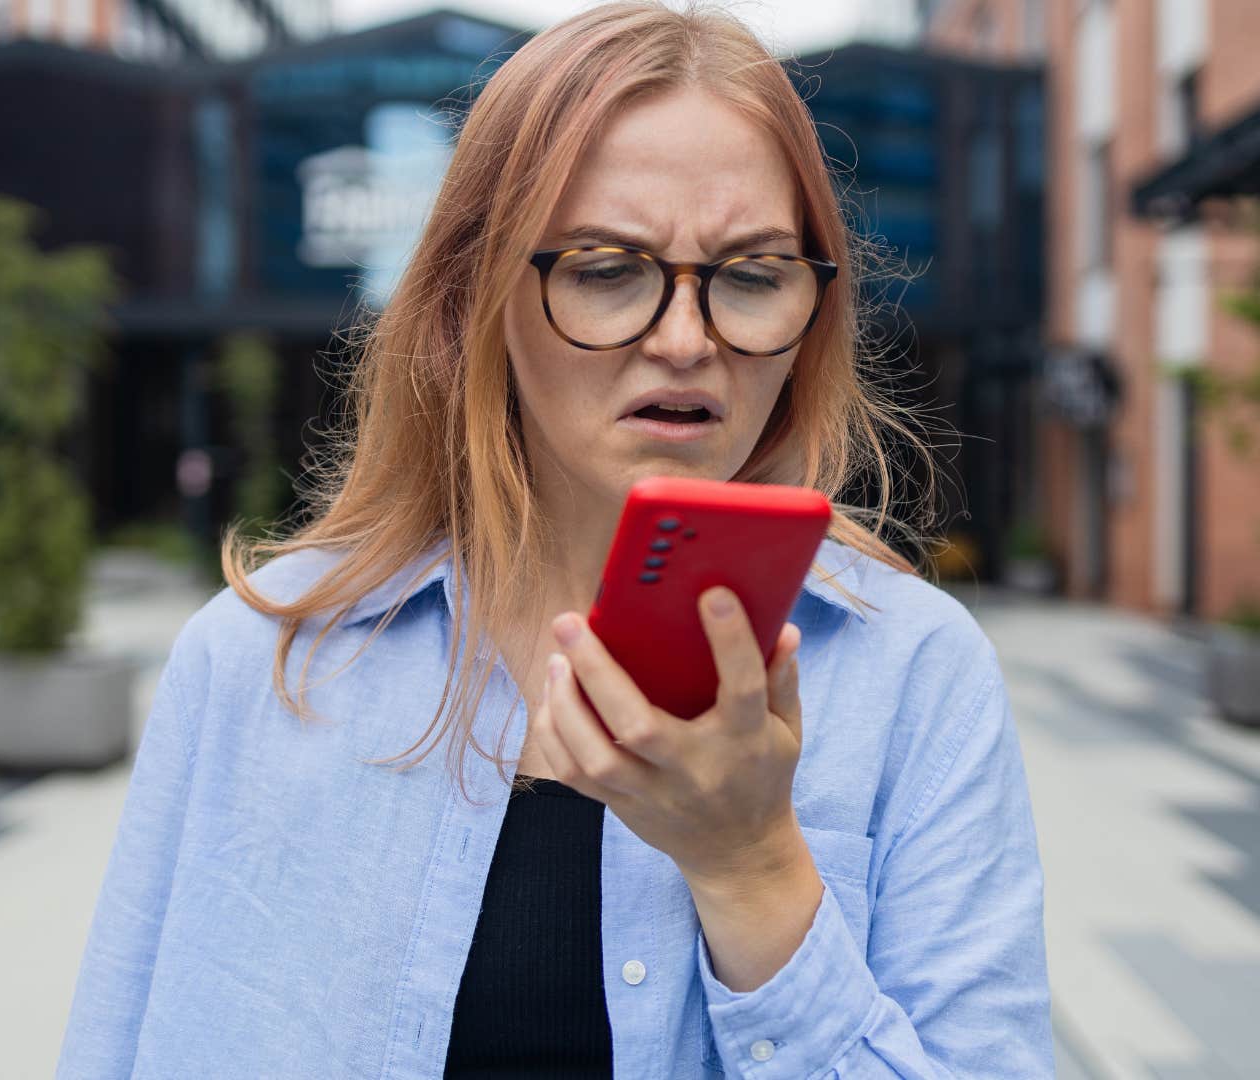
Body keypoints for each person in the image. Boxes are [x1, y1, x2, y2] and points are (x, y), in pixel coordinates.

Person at [54, 2, 1051, 1077]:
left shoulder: (915, 677)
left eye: (754, 276)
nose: (684, 340)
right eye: (607, 267)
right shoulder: (264, 662)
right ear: (472, 299)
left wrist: (753, 866)